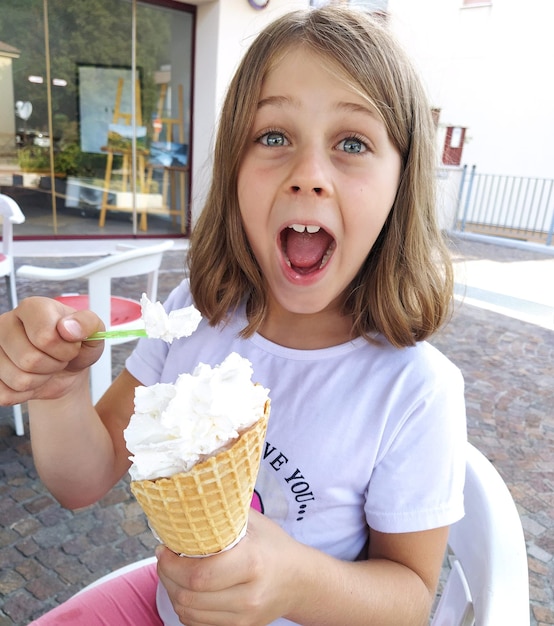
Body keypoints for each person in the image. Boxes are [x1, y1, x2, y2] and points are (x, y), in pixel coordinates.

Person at [0, 5, 466, 625]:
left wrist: (296, 583)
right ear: (233, 168)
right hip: (162, 602)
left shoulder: (414, 390)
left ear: (401, 184)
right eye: (273, 136)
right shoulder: (193, 316)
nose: (309, 176)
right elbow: (83, 480)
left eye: (352, 143)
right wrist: (58, 390)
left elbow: (410, 599)